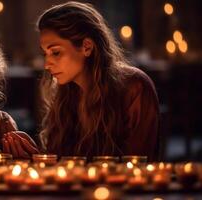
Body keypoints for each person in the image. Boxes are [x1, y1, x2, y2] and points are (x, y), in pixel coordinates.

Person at [36, 2, 159, 160]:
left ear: (87, 47)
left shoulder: (134, 87)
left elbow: (139, 164)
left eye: (56, 52)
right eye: (44, 54)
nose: (47, 64)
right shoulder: (65, 96)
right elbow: (60, 162)